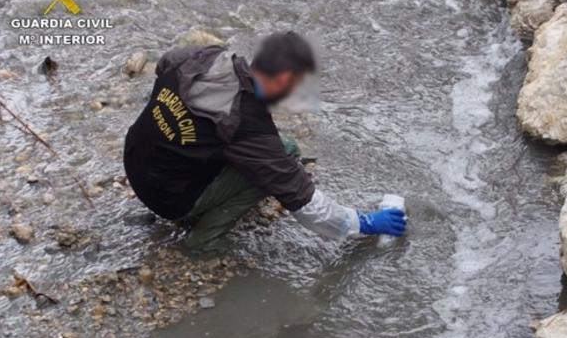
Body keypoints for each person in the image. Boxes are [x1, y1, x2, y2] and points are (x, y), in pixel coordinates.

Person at [123, 31, 407, 249]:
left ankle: (196, 186)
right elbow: (303, 201)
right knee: (279, 162)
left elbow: (164, 65)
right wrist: (364, 223)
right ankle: (203, 238)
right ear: (283, 79)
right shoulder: (246, 123)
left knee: (284, 149)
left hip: (136, 159)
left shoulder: (206, 56)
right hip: (167, 198)